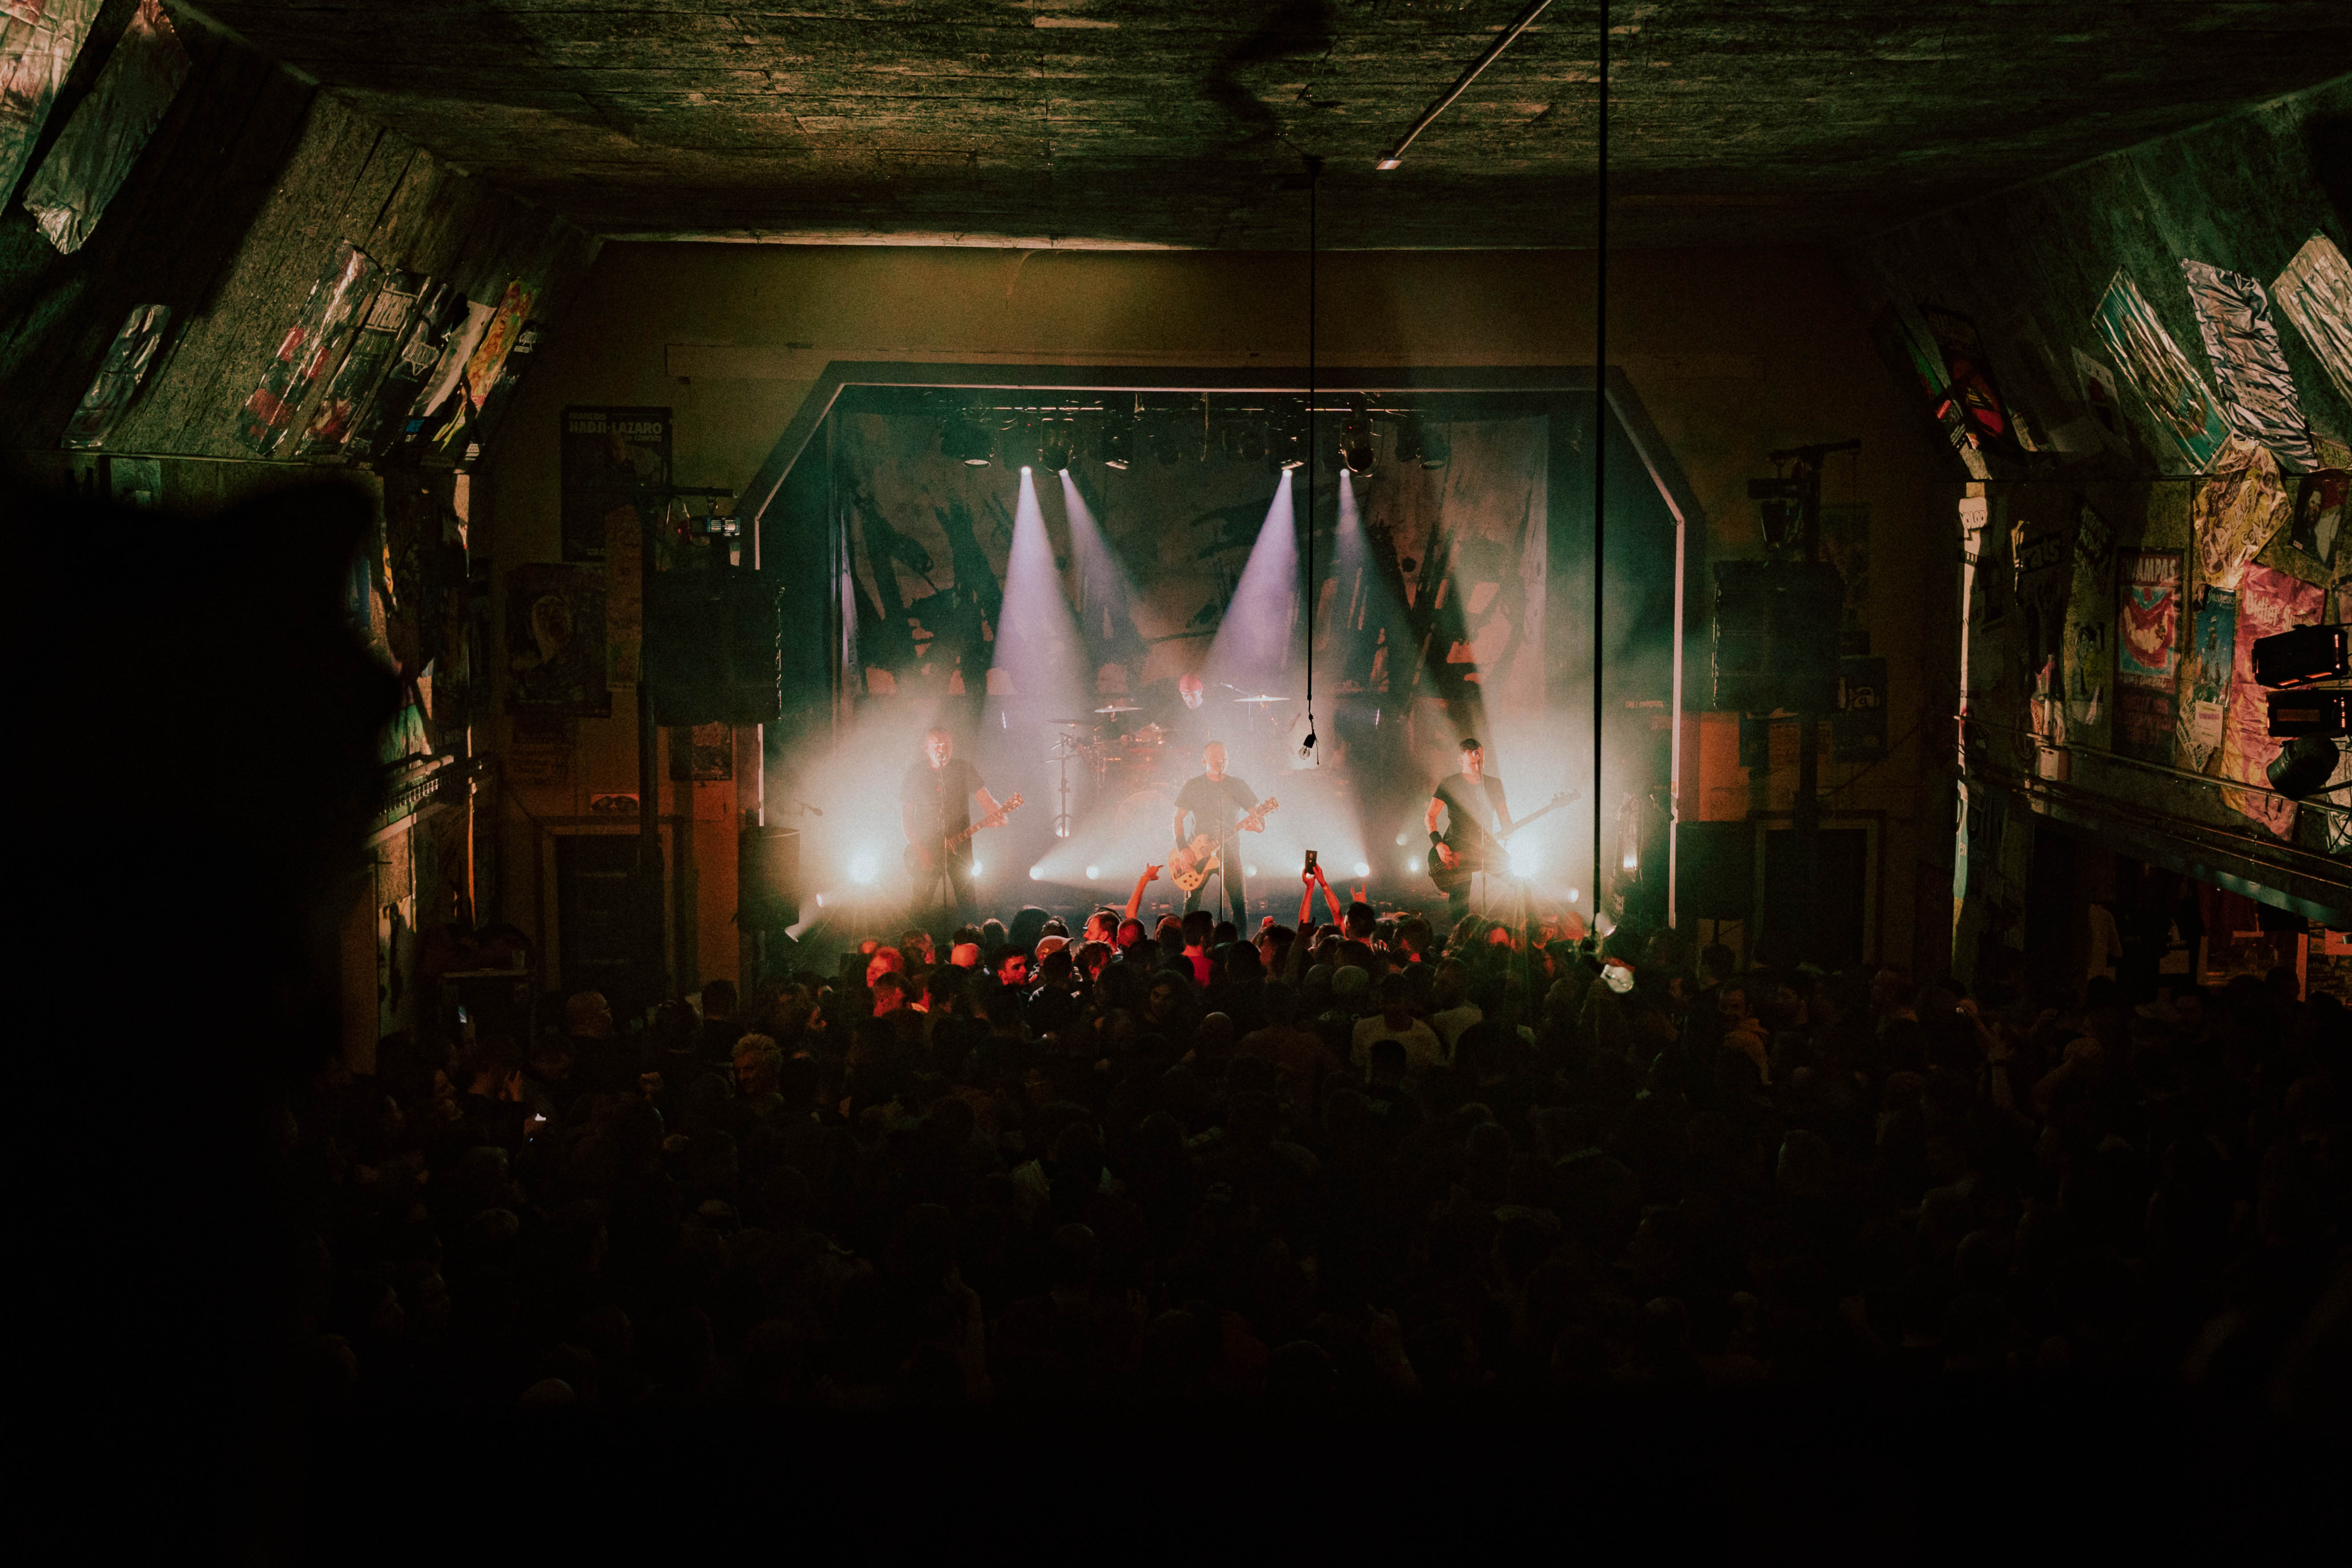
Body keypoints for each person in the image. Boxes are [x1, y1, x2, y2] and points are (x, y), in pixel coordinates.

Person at [901, 727, 1007, 923]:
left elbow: (987, 801)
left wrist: (999, 815)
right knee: (920, 904)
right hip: (926, 848)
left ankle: (972, 943)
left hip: (961, 847)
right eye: (937, 745)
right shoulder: (916, 773)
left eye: (947, 745)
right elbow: (907, 818)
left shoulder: (963, 769)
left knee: (968, 902)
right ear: (927, 748)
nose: (942, 749)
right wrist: (919, 849)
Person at [1171, 741, 1264, 926]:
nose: (1219, 759)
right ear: (1204, 761)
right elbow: (1178, 819)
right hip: (1197, 854)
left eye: (1223, 756)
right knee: (1191, 904)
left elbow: (1259, 818)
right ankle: (1189, 948)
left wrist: (1257, 827)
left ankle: (1240, 948)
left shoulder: (1238, 785)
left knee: (1239, 904)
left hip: (1229, 853)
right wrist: (1183, 849)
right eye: (1214, 756)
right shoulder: (1193, 785)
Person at [1426, 736, 1513, 925]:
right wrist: (1439, 844)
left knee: (1520, 881)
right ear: (1461, 761)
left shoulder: (1494, 784)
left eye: (1481, 762)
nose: (1478, 768)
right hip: (1457, 850)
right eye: (1473, 763)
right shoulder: (1450, 784)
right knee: (1460, 902)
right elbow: (1430, 816)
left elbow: (1505, 818)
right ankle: (1462, 940)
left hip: (1486, 845)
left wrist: (1508, 831)